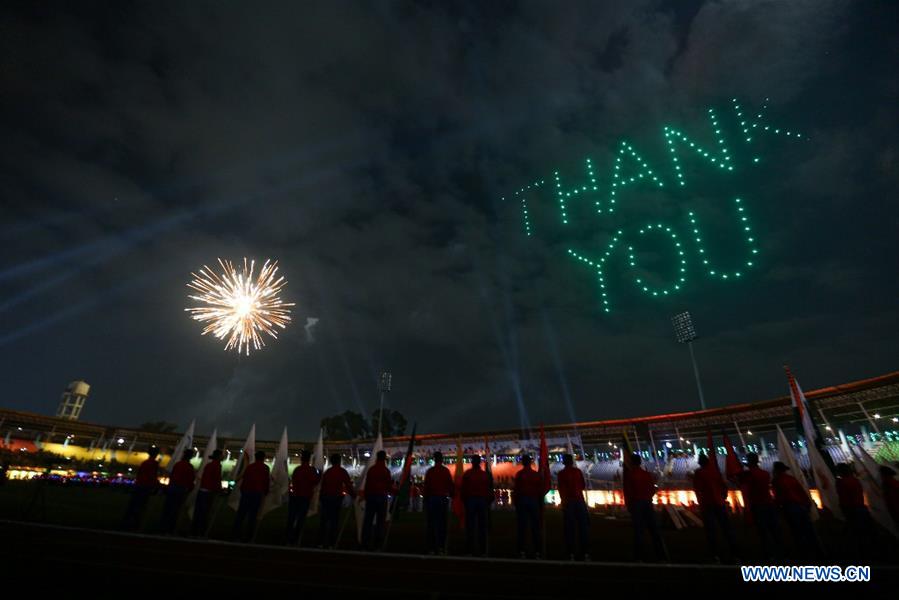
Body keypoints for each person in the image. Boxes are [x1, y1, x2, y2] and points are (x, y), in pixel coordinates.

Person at [692, 453, 738, 562]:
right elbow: (723, 486)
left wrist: (700, 501)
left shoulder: (699, 473)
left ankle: (716, 554)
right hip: (719, 502)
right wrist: (723, 497)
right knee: (726, 528)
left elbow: (697, 488)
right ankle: (734, 552)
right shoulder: (715, 472)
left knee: (711, 530)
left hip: (707, 504)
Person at [771, 461, 822, 559]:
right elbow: (801, 491)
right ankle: (817, 551)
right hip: (801, 506)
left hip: (790, 507)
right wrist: (807, 504)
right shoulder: (791, 479)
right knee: (809, 530)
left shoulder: (776, 481)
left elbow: (779, 497)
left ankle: (804, 553)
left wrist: (778, 508)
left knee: (797, 531)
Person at [623, 453, 667, 562]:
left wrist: (629, 505)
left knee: (638, 531)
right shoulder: (647, 474)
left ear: (631, 463)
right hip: (647, 503)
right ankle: (661, 555)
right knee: (654, 530)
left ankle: (639, 556)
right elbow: (652, 490)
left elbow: (628, 492)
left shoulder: (630, 475)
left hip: (637, 504)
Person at [739, 452, 782, 561]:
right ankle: (780, 552)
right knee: (774, 530)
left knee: (763, 531)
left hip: (758, 505)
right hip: (769, 503)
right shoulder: (765, 473)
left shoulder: (749, 475)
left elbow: (745, 484)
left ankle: (769, 554)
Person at [836, 462, 875, 558]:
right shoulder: (855, 480)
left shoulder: (842, 483)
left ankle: (864, 553)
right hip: (861, 508)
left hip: (852, 510)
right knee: (866, 532)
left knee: (858, 534)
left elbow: (844, 498)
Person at [232, 450, 270, 543]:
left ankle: (235, 535)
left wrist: (243, 490)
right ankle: (248, 537)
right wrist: (265, 492)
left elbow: (245, 479)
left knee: (241, 515)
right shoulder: (265, 468)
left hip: (246, 492)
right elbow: (266, 482)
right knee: (252, 516)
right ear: (263, 458)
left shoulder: (250, 467)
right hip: (257, 494)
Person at [319, 453, 355, 549]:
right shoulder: (342, 471)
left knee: (324, 521)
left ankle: (321, 542)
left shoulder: (328, 472)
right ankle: (331, 542)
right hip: (336, 498)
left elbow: (322, 486)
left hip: (326, 498)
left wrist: (321, 498)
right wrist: (354, 495)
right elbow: (348, 485)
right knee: (334, 521)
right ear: (339, 461)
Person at [558, 453, 590, 561]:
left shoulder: (561, 474)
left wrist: (563, 502)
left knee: (569, 528)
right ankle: (585, 553)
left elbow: (561, 489)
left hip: (569, 502)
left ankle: (571, 553)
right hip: (579, 501)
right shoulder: (578, 472)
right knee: (583, 528)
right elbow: (582, 485)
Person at [361, 450, 394, 551]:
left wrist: (366, 496)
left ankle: (365, 542)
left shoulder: (372, 470)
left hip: (371, 497)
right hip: (381, 497)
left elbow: (367, 484)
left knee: (368, 521)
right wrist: (396, 491)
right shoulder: (385, 471)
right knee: (380, 522)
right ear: (384, 458)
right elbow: (389, 486)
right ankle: (377, 543)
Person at [513, 454, 544, 558]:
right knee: (535, 528)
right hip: (533, 501)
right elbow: (540, 491)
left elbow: (516, 490)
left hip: (523, 501)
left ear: (523, 462)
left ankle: (522, 550)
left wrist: (516, 503)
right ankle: (537, 551)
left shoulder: (519, 474)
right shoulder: (536, 475)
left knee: (522, 528)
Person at [287, 449, 320, 545]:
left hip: (295, 496)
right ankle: (296, 537)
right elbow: (315, 481)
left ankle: (289, 537)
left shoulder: (297, 469)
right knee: (301, 518)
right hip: (305, 497)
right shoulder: (312, 470)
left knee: (291, 517)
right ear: (309, 459)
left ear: (301, 459)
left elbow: (294, 481)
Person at [423, 451, 454, 554]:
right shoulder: (445, 471)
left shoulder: (430, 471)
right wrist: (452, 493)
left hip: (432, 499)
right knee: (442, 523)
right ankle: (441, 546)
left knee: (431, 524)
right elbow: (450, 485)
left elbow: (426, 487)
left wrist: (425, 500)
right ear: (442, 459)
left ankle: (431, 547)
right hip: (442, 499)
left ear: (434, 459)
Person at [461, 454, 492, 556]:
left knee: (470, 526)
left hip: (471, 501)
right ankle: (483, 550)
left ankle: (470, 549)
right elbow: (489, 489)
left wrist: (464, 500)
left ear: (472, 462)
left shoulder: (467, 474)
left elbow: (463, 489)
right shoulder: (484, 475)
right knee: (482, 526)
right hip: (482, 501)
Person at [123, 446, 160, 530]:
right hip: (145, 486)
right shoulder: (154, 463)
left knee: (133, 504)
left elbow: (140, 475)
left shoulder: (145, 462)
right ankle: (135, 523)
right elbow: (152, 476)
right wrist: (157, 485)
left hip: (139, 485)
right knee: (141, 506)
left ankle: (127, 522)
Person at [161, 448, 195, 534]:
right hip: (181, 489)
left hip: (173, 488)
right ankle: (171, 528)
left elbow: (172, 476)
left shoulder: (178, 464)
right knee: (176, 510)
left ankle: (163, 526)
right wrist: (190, 488)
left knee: (168, 508)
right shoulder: (189, 467)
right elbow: (190, 480)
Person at [191, 449, 223, 537]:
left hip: (202, 490)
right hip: (209, 492)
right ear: (218, 457)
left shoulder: (208, 465)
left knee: (198, 512)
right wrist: (219, 490)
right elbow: (217, 479)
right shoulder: (217, 466)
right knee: (205, 513)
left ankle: (194, 531)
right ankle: (200, 532)